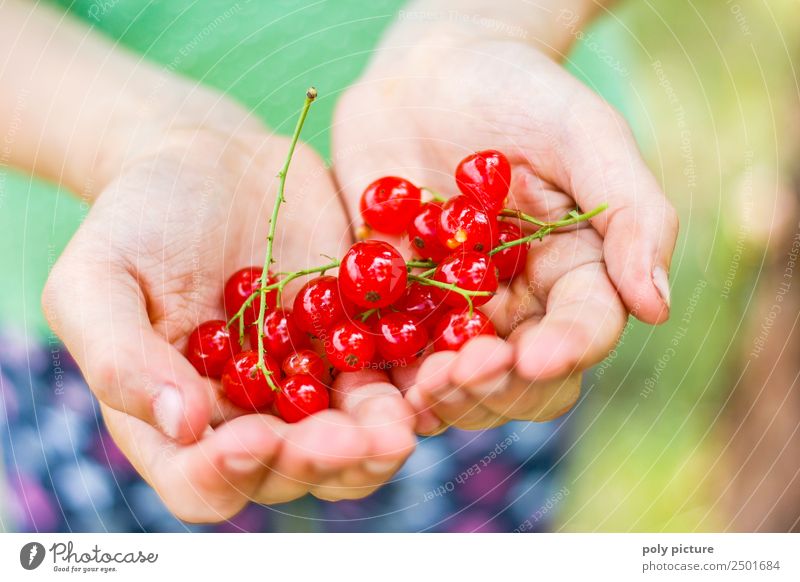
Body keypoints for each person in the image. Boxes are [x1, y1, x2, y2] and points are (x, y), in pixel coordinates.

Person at [0, 0, 677, 528]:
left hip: (503, 334)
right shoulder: (235, 324)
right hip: (139, 311)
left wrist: (483, 24)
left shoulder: (481, 261)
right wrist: (134, 137)